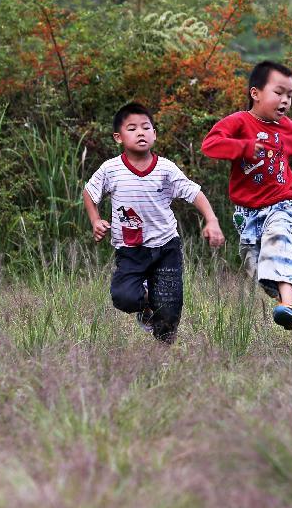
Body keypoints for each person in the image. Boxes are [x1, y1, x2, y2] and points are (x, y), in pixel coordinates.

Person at [201, 60, 292, 330]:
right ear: (256, 93)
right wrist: (244, 147)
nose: (285, 101)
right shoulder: (239, 122)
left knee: (278, 242)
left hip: (280, 205)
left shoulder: (287, 127)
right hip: (246, 213)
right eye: (278, 92)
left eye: (289, 95)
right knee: (258, 270)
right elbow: (210, 145)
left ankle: (288, 305)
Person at [83, 102, 225, 343]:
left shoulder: (166, 169)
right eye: (132, 129)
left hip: (166, 247)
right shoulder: (111, 169)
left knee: (169, 309)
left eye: (146, 127)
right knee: (124, 297)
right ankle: (146, 304)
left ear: (154, 134)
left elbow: (194, 192)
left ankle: (163, 353)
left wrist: (211, 220)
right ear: (118, 137)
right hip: (130, 250)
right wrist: (95, 220)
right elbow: (89, 191)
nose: (140, 132)